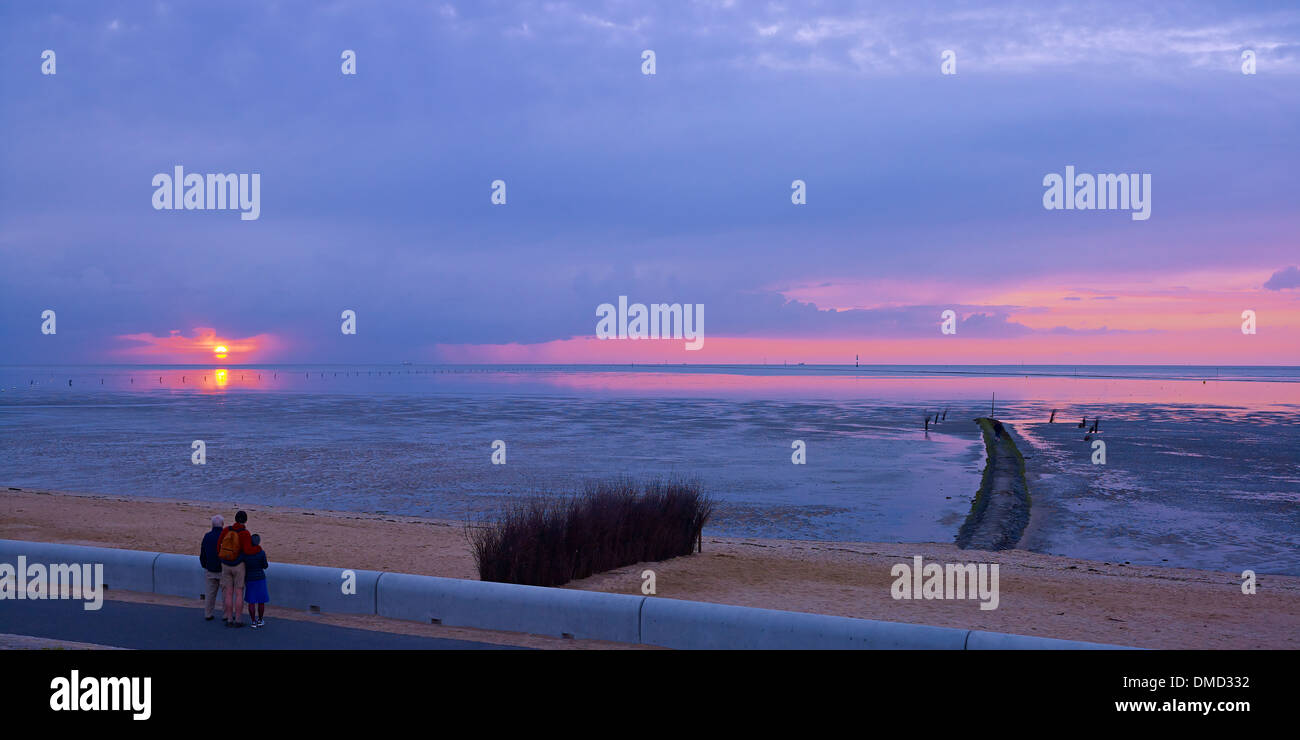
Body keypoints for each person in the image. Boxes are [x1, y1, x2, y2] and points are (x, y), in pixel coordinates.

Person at [216, 510, 258, 628]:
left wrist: (222, 558)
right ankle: (238, 619)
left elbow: (219, 545)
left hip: (225, 564)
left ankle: (229, 619)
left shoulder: (226, 530)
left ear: (235, 519)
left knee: (228, 593)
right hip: (239, 565)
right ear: (245, 520)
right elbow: (248, 551)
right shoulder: (245, 533)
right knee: (239, 593)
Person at [198, 515, 224, 621]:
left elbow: (203, 554)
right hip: (223, 569)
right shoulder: (225, 536)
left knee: (210, 594)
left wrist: (205, 565)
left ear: (212, 525)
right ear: (222, 524)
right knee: (225, 594)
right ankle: (226, 614)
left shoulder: (207, 536)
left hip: (210, 568)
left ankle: (208, 613)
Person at [243, 534, 270, 628]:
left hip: (249, 578)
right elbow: (265, 566)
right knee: (261, 601)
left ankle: (253, 621)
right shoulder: (261, 553)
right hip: (260, 578)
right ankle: (260, 620)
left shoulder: (246, 553)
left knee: (251, 601)